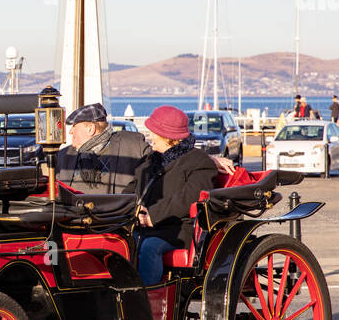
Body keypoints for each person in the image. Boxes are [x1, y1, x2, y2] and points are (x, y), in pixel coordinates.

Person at [131, 105, 219, 287]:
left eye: (155, 132)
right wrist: (129, 209)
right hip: (142, 226)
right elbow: (132, 190)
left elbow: (189, 198)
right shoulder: (150, 160)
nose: (151, 137)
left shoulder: (199, 161)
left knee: (149, 247)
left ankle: (148, 301)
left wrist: (152, 216)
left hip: (178, 229)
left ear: (169, 138)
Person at [55, 103, 150, 193]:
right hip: (75, 210)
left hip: (117, 210)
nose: (71, 132)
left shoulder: (134, 148)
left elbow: (152, 182)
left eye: (74, 126)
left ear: (90, 129)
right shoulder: (64, 156)